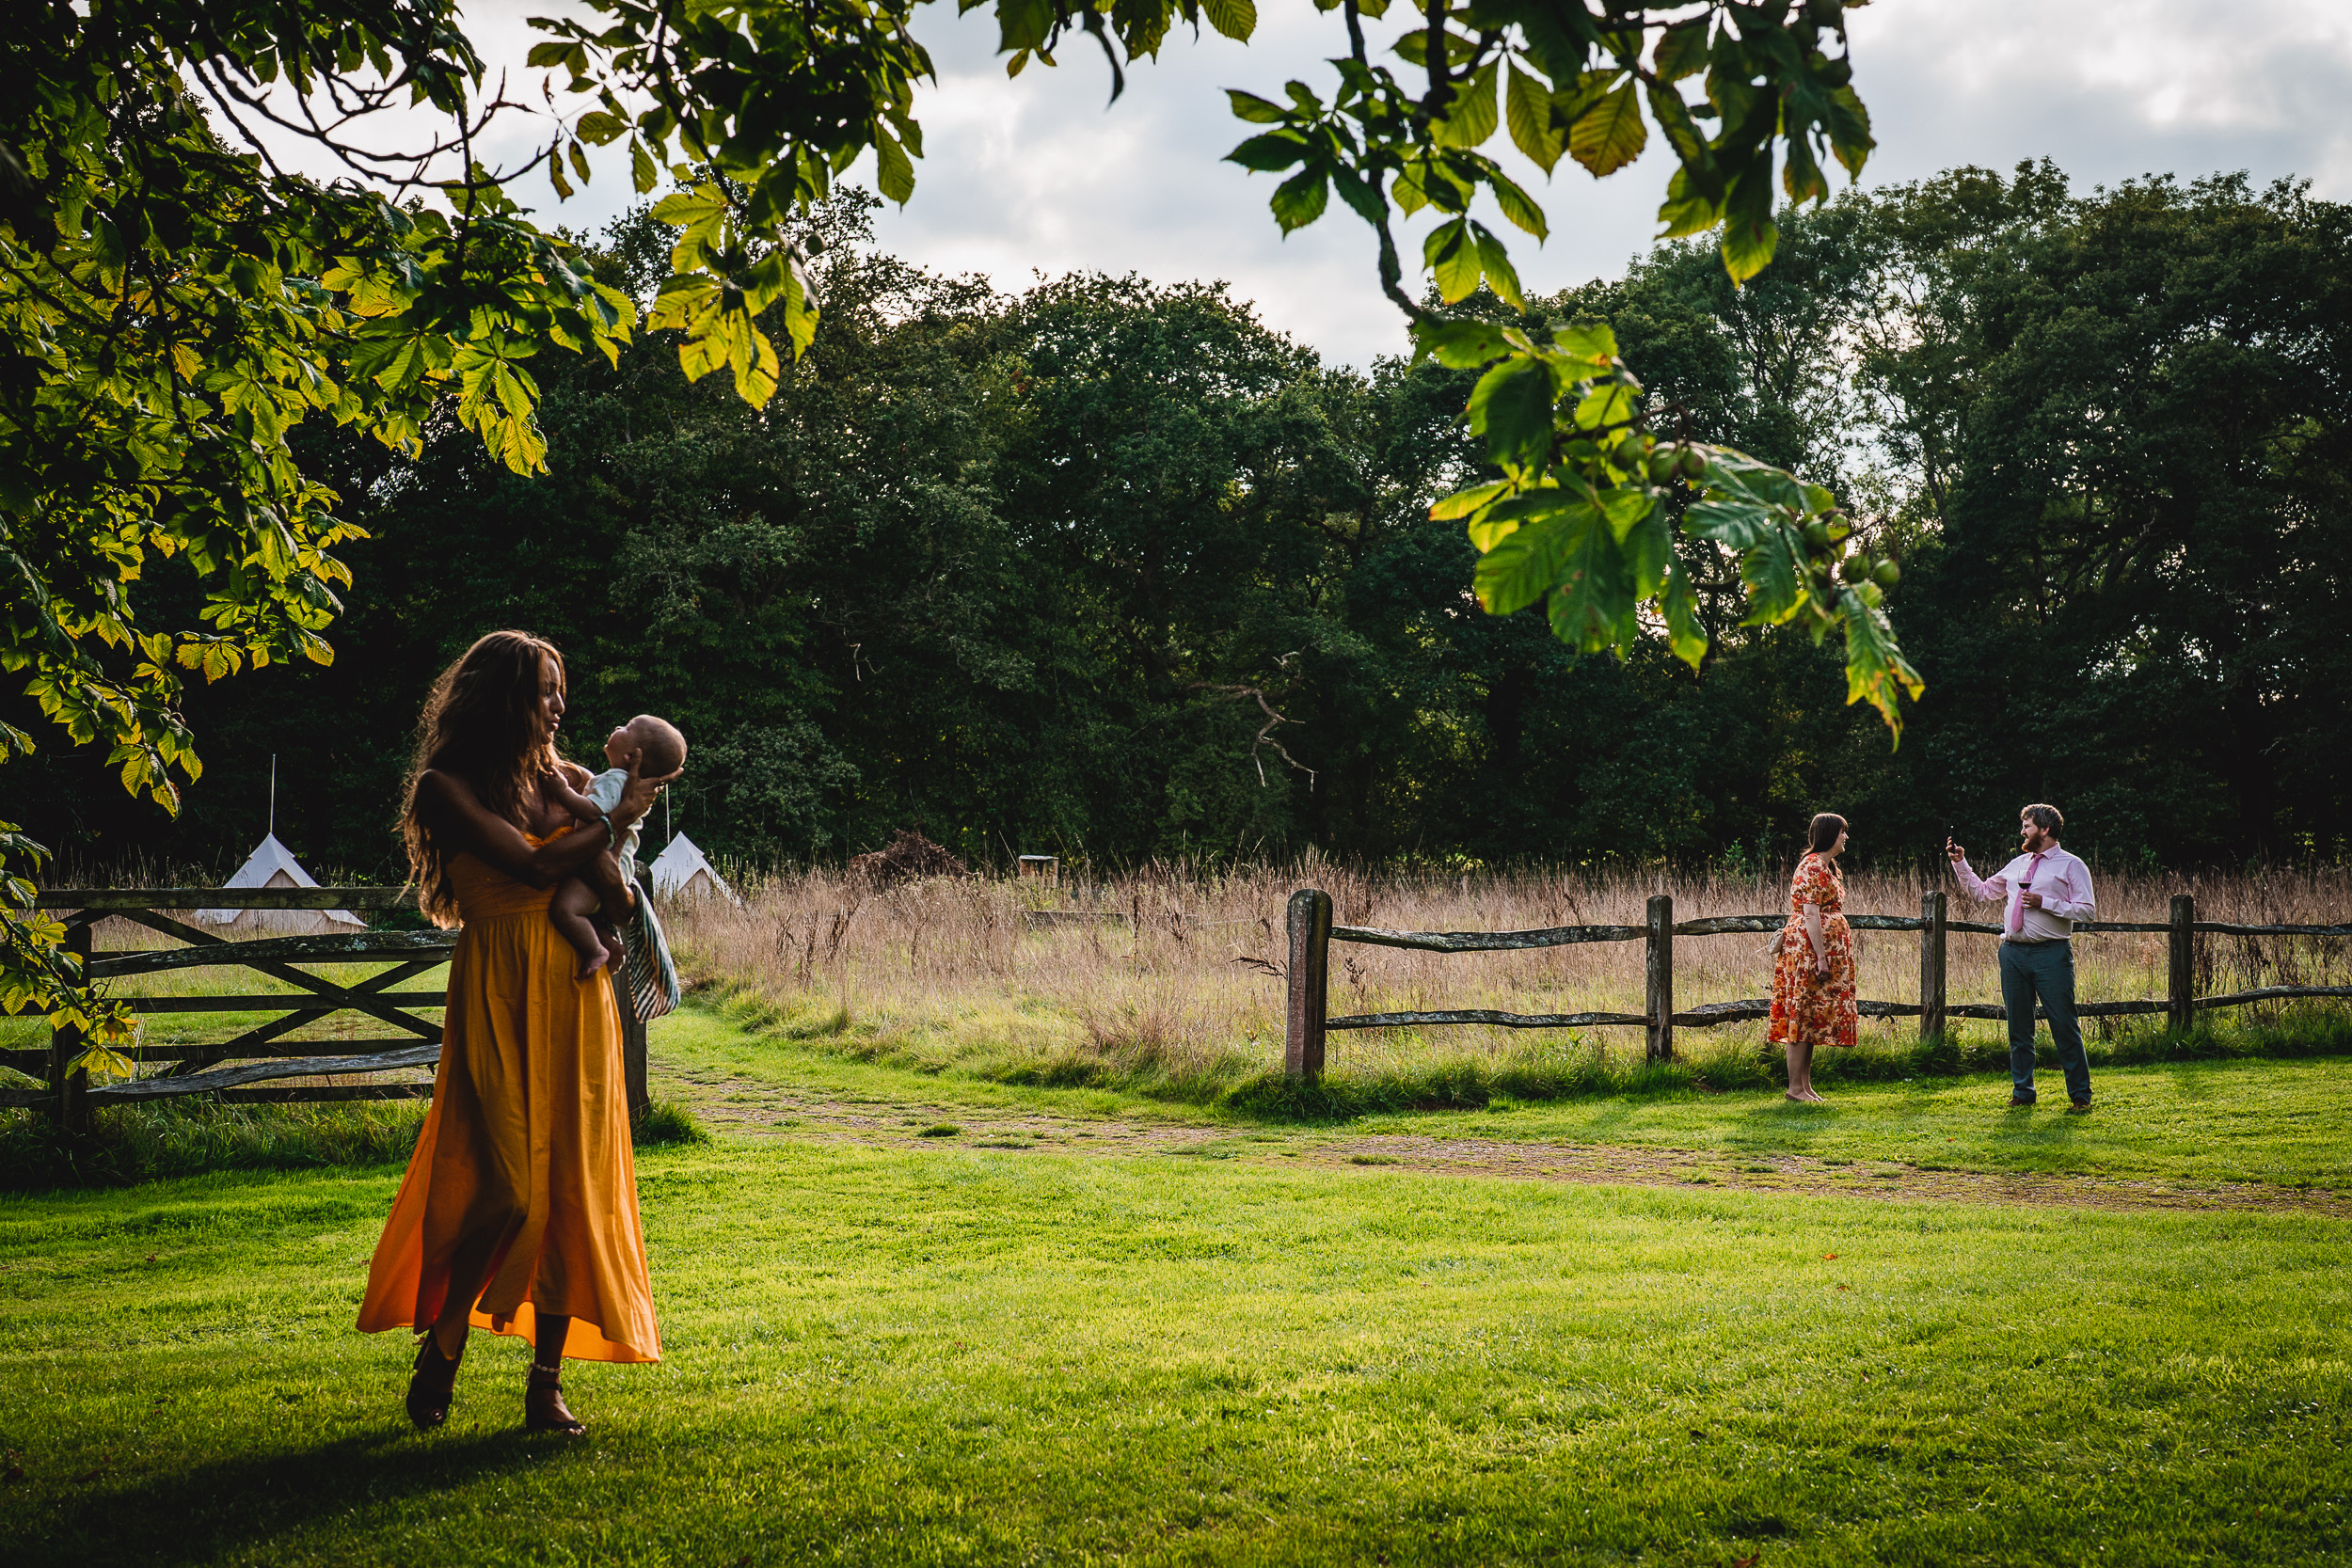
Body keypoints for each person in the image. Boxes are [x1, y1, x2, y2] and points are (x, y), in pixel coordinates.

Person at [358, 631, 678, 1434]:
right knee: (508, 1186)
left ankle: (547, 1382)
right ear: (503, 698)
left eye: (560, 690)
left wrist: (615, 847)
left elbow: (620, 894)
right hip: (498, 986)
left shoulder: (569, 779)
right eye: (545, 690)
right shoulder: (446, 787)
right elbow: (535, 868)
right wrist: (616, 826)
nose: (559, 707)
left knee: (572, 1188)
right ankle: (448, 1333)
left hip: (576, 993)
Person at [1948, 804, 2097, 1110]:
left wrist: (2046, 902)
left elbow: (2087, 910)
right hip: (2013, 954)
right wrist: (1960, 863)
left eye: (2026, 826)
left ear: (2044, 829)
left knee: (2064, 1026)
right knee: (2018, 1028)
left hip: (2051, 954)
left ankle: (2080, 1097)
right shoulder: (2018, 864)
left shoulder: (2071, 866)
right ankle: (2022, 1093)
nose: (2022, 832)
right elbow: (1982, 892)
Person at [547, 714, 689, 979]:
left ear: (631, 757)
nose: (617, 726)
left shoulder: (613, 782)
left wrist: (562, 791)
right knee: (582, 909)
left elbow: (591, 812)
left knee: (565, 909)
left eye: (626, 727)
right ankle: (608, 942)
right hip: (612, 868)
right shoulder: (615, 782)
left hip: (607, 867)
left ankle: (596, 950)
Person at [1768, 813, 1857, 1102]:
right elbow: (1810, 913)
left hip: (1817, 950)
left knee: (1810, 1017)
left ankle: (1804, 1086)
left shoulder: (1826, 866)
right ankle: (1794, 1087)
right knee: (1801, 1013)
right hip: (1807, 952)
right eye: (1842, 832)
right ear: (1830, 834)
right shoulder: (1813, 866)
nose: (1845, 837)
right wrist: (1821, 956)